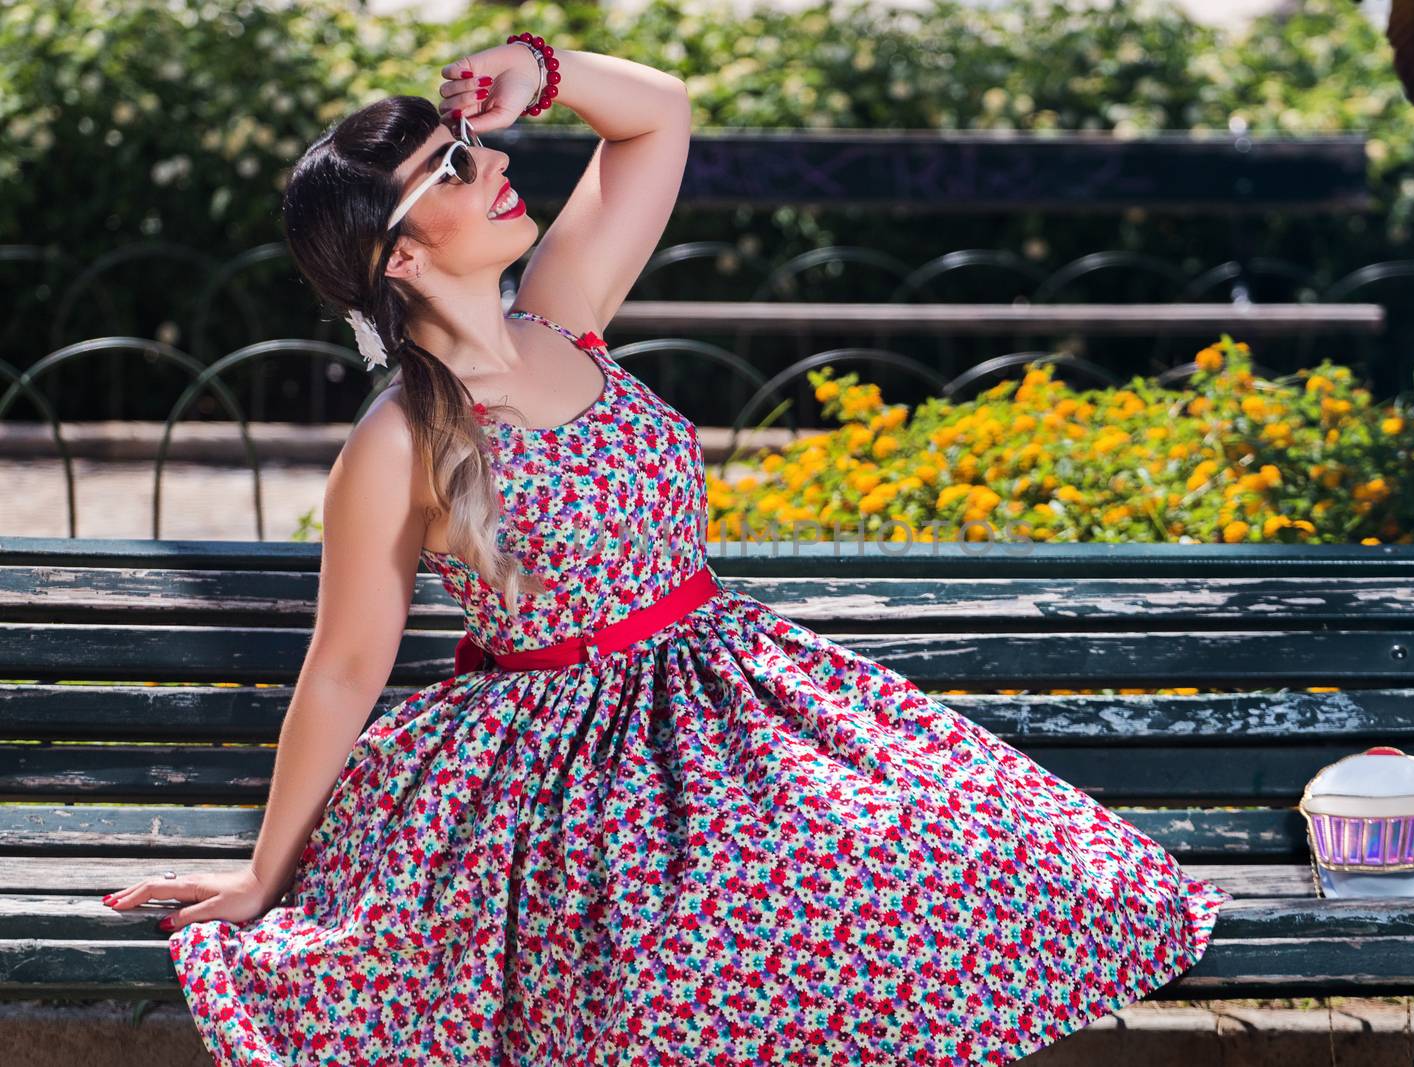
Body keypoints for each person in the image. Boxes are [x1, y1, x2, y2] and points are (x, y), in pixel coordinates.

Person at [99, 39, 1232, 1066]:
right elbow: (346, 665)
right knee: (727, 934)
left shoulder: (563, 310)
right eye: (449, 172)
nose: (490, 164)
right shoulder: (399, 440)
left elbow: (655, 115)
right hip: (566, 768)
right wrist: (263, 873)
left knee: (984, 858)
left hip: (736, 696)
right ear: (394, 259)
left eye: (471, 148)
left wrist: (534, 73)